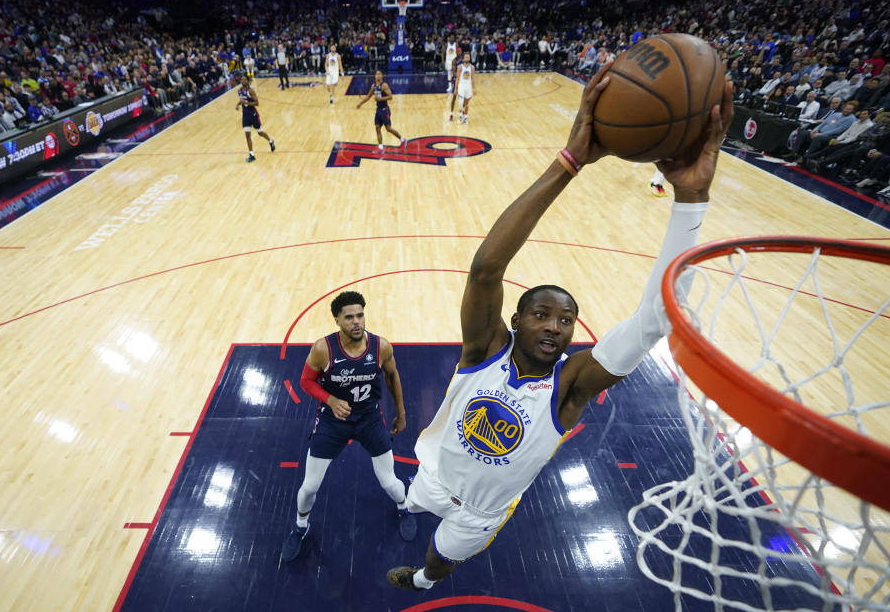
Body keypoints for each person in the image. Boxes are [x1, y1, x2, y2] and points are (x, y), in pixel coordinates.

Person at [386, 64, 734, 590]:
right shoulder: (483, 349)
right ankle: (411, 509)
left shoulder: (570, 385)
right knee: (413, 500)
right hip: (431, 474)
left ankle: (421, 581)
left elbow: (655, 320)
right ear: (515, 320)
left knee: (440, 559)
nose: (555, 326)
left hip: (482, 513)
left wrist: (691, 199)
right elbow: (485, 269)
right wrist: (569, 163)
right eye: (542, 314)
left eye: (566, 320)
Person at [280, 291, 415, 562]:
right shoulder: (323, 349)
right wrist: (329, 399)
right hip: (333, 421)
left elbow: (392, 376)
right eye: (349, 317)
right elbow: (306, 382)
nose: (356, 322)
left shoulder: (381, 347)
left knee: (389, 482)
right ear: (337, 320)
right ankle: (300, 527)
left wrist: (400, 413)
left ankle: (403, 507)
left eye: (360, 315)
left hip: (369, 419)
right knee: (309, 487)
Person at [356, 70, 406, 151]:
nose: (378, 75)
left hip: (385, 109)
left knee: (388, 129)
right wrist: (360, 103)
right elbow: (368, 96)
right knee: (377, 128)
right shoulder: (373, 86)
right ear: (375, 76)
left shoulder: (384, 85)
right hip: (378, 109)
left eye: (379, 74)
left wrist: (380, 99)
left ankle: (402, 139)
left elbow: (390, 97)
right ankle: (380, 146)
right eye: (377, 74)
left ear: (382, 76)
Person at [235, 75, 275, 163]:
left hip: (253, 115)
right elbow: (242, 100)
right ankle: (251, 154)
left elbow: (257, 103)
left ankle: (270, 141)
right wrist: (238, 104)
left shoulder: (251, 91)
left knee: (260, 132)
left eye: (244, 79)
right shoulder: (239, 91)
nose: (243, 80)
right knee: (247, 135)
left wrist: (246, 103)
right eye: (241, 79)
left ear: (248, 81)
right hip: (245, 116)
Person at [453, 53, 474, 124]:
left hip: (468, 86)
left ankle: (465, 117)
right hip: (461, 85)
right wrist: (455, 89)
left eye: (468, 57)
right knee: (461, 103)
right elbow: (457, 78)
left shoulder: (472, 67)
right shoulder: (460, 67)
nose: (467, 58)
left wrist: (474, 88)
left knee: (466, 104)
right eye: (465, 57)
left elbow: (473, 78)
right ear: (463, 58)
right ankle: (460, 116)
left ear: (469, 58)